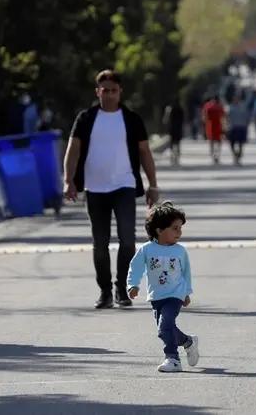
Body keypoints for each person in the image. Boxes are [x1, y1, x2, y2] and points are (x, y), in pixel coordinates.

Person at [63, 69, 159, 309]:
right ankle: (105, 291)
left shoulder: (131, 119)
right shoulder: (86, 118)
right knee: (100, 242)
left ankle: (121, 289)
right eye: (105, 90)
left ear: (120, 92)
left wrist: (152, 184)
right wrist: (69, 180)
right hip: (95, 188)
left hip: (124, 185)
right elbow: (73, 149)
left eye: (114, 91)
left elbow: (144, 152)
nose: (109, 95)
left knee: (128, 240)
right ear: (98, 91)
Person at [127, 201, 199, 373]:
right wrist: (133, 285)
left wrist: (187, 292)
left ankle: (172, 358)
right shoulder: (147, 249)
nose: (179, 232)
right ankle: (188, 341)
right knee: (168, 329)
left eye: (180, 228)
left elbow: (186, 272)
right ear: (159, 230)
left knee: (164, 327)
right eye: (175, 228)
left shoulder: (180, 251)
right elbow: (135, 267)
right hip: (156, 296)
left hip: (175, 295)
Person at [227, 91, 251, 166]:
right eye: (235, 98)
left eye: (237, 98)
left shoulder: (243, 107)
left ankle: (239, 156)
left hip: (241, 128)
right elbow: (227, 117)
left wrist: (246, 125)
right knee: (231, 144)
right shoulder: (230, 107)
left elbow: (247, 117)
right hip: (233, 128)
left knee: (241, 144)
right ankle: (235, 155)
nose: (236, 100)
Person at [202, 96, 225, 164]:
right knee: (218, 142)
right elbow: (223, 117)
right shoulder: (220, 106)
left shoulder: (207, 106)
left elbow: (204, 117)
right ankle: (217, 155)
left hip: (210, 125)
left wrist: (204, 126)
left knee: (211, 142)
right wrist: (224, 128)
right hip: (218, 126)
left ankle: (213, 155)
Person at [163, 99, 184, 166]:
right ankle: (177, 157)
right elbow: (183, 119)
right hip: (179, 128)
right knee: (178, 143)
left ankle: (172, 157)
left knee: (172, 143)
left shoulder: (169, 109)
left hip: (172, 128)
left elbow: (165, 120)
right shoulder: (181, 109)